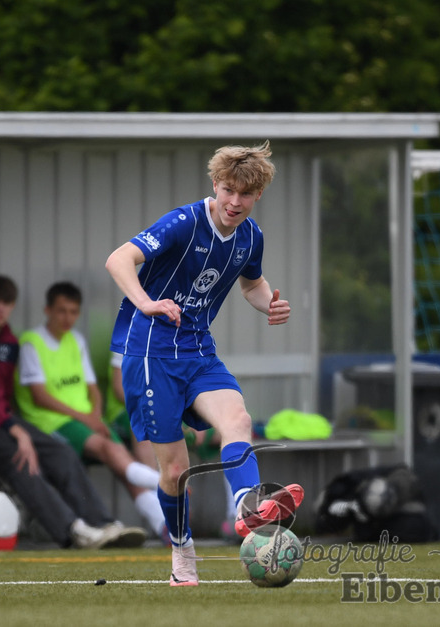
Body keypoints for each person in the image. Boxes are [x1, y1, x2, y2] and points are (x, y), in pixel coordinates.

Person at [105, 141, 304, 587]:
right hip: (151, 354)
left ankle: (248, 508)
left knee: (238, 420)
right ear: (215, 184)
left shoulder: (250, 236)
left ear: (257, 195)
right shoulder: (183, 222)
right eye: (228, 190)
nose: (235, 202)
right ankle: (182, 550)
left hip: (198, 351)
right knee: (176, 472)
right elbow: (118, 259)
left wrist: (268, 304)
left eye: (245, 194)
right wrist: (146, 302)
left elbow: (251, 284)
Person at [0, 274, 146, 550]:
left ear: (12, 306)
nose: (0, 308)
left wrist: (16, 426)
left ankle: (103, 524)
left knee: (61, 453)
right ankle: (73, 530)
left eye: (6, 303)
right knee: (21, 459)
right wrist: (17, 430)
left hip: (3, 419)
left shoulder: (9, 342)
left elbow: (3, 397)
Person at [15, 282, 168, 543]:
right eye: (61, 311)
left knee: (122, 462)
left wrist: (95, 416)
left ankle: (164, 526)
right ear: (47, 310)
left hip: (86, 420)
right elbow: (40, 397)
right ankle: (164, 483)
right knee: (110, 450)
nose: (67, 318)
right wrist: (87, 419)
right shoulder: (31, 343)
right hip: (52, 422)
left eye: (73, 312)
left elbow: (93, 389)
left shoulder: (75, 340)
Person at [109, 351, 239, 541]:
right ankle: (165, 519)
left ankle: (237, 516)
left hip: (179, 411)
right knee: (144, 428)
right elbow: (122, 389)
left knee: (233, 426)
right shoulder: (129, 337)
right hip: (142, 411)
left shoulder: (189, 338)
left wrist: (197, 412)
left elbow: (196, 380)